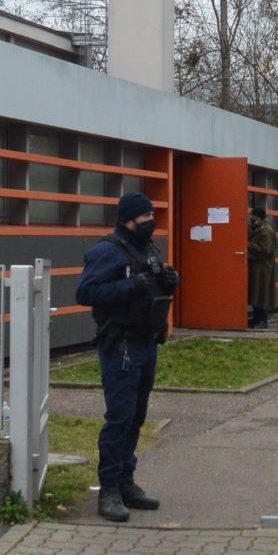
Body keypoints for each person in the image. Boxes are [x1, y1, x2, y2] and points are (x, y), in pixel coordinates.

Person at [75, 192, 179, 523]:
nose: (151, 221)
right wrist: (132, 286)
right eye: (145, 216)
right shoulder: (108, 251)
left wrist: (168, 283)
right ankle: (108, 490)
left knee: (136, 417)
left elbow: (150, 289)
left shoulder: (146, 249)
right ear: (128, 219)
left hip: (147, 343)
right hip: (120, 345)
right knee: (119, 417)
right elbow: (86, 293)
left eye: (152, 214)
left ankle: (126, 481)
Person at [247, 205, 276, 329]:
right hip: (258, 266)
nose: (250, 217)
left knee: (261, 293)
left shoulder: (266, 230)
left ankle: (262, 320)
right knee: (256, 293)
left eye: (252, 215)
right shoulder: (260, 228)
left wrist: (248, 245)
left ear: (257, 216)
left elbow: (265, 249)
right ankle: (257, 319)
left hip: (263, 267)